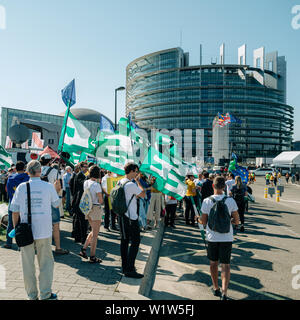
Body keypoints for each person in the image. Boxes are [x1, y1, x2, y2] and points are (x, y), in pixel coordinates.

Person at [10, 160, 62, 300]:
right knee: (46, 263)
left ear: (28, 171)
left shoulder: (22, 187)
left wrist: (16, 229)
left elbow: (14, 210)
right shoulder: (48, 186)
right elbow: (56, 205)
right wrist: (57, 190)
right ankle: (45, 293)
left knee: (27, 265)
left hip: (26, 230)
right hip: (44, 230)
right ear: (40, 171)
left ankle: (32, 295)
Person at [200, 176, 239, 301]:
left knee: (213, 263)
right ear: (224, 187)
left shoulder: (207, 201)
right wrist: (230, 221)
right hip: (227, 237)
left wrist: (197, 219)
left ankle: (216, 288)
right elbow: (237, 221)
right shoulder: (230, 201)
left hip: (212, 237)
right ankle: (224, 292)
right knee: (226, 265)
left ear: (213, 186)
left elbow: (203, 221)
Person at [119, 163, 146, 278]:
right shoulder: (131, 184)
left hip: (122, 215)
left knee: (124, 241)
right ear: (131, 171)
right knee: (135, 242)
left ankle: (125, 267)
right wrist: (139, 182)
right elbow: (143, 194)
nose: (137, 174)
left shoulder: (121, 181)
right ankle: (130, 268)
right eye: (136, 171)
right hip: (131, 217)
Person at [40, 154, 68, 255]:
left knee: (40, 223)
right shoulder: (55, 172)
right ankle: (58, 247)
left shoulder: (36, 170)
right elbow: (59, 187)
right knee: (55, 224)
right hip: (51, 200)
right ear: (50, 161)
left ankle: (41, 246)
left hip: (39, 201)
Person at [79, 165, 104, 263]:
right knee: (95, 234)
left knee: (93, 231)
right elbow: (100, 200)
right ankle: (92, 256)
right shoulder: (97, 185)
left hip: (88, 208)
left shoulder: (86, 182)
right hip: (96, 208)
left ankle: (84, 249)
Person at [3, 161, 29, 249]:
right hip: (24, 203)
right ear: (24, 168)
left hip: (13, 201)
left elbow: (7, 190)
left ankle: (8, 242)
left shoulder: (10, 178)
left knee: (11, 223)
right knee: (23, 224)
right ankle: (21, 244)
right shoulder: (27, 177)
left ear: (15, 168)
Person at [71, 161, 88, 244]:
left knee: (79, 220)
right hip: (78, 201)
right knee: (81, 220)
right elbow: (82, 184)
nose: (86, 168)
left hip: (79, 200)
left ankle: (78, 237)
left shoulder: (82, 175)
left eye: (87, 166)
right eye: (84, 166)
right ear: (80, 167)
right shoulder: (79, 175)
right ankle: (81, 238)